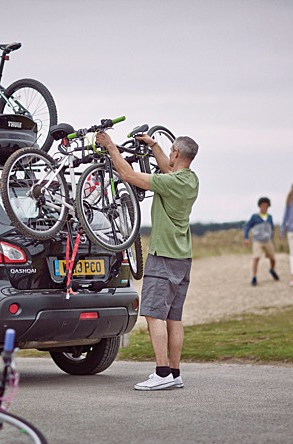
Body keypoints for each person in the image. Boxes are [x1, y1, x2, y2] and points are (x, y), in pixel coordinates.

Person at [96, 130, 199, 391]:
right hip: (182, 258)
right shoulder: (190, 180)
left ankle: (161, 373)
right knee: (174, 318)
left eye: (170, 150)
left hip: (163, 256)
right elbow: (167, 167)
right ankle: (174, 373)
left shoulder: (169, 183)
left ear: (177, 153)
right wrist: (153, 144)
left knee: (154, 315)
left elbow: (128, 175)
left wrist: (111, 147)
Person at [243, 197, 280, 286]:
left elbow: (272, 228)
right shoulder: (255, 217)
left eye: (266, 205)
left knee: (273, 258)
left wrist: (272, 237)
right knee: (256, 258)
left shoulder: (269, 217)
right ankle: (254, 277)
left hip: (268, 240)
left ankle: (272, 269)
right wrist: (246, 237)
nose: (264, 207)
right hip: (257, 240)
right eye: (263, 205)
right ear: (260, 206)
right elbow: (247, 226)